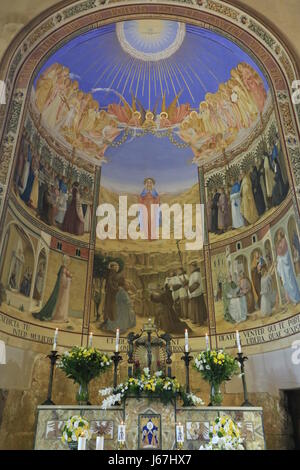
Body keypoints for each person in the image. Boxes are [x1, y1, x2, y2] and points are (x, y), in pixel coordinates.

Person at [32, 256, 72, 322]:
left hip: (60, 287)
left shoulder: (64, 268)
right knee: (55, 300)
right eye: (68, 261)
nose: (69, 262)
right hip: (59, 288)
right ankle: (49, 315)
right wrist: (69, 278)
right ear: (66, 261)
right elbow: (63, 280)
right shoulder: (64, 269)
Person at [276, 230, 300, 305]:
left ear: (281, 235)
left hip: (287, 265)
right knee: (286, 282)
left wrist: (278, 250)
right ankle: (293, 299)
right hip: (283, 267)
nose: (278, 237)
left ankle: (296, 298)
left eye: (278, 235)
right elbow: (279, 252)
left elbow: (282, 251)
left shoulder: (284, 240)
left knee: (290, 282)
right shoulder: (280, 242)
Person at [188, 261, 207, 325]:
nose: (190, 268)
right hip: (194, 294)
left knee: (198, 308)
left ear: (194, 267)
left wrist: (190, 289)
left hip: (197, 293)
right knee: (194, 308)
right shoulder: (192, 274)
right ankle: (195, 320)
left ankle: (200, 321)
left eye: (191, 267)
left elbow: (196, 283)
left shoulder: (196, 273)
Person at [102, 261, 120, 326]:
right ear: (113, 267)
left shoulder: (111, 272)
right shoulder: (112, 272)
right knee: (111, 305)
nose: (117, 267)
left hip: (111, 291)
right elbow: (109, 281)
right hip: (111, 292)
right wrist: (114, 288)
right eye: (116, 266)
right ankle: (110, 319)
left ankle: (108, 319)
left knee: (109, 305)